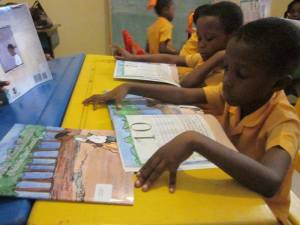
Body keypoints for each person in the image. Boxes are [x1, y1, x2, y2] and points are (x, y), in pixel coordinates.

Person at [84, 18, 300, 224]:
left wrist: (195, 140)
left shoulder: (284, 122)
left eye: (241, 74)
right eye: (226, 68)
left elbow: (270, 181)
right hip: (229, 192)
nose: (228, 80)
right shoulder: (238, 96)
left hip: (261, 214)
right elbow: (183, 95)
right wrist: (130, 87)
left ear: (278, 83)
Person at [115, 1, 243, 87]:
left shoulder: (228, 77)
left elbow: (185, 84)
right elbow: (168, 57)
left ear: (232, 37)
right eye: (199, 38)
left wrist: (218, 57)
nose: (201, 45)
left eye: (209, 39)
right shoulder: (200, 58)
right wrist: (134, 58)